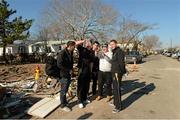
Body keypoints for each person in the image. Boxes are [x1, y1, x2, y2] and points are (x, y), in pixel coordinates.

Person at [57, 41, 76, 112]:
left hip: (68, 74)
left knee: (66, 89)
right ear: (70, 46)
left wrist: (71, 69)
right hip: (63, 74)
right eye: (74, 46)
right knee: (63, 90)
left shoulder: (70, 52)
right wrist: (68, 70)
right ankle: (62, 105)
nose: (74, 47)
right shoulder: (62, 53)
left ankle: (65, 102)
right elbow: (59, 64)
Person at [76, 40, 95, 108]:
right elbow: (75, 43)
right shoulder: (82, 49)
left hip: (88, 71)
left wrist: (91, 71)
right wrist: (83, 40)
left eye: (89, 42)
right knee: (80, 86)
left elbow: (92, 62)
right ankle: (79, 101)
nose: (88, 44)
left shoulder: (92, 51)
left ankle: (84, 99)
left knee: (86, 86)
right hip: (81, 70)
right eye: (87, 43)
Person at [109, 39, 126, 113]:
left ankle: (118, 107)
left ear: (116, 44)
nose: (111, 46)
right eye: (110, 44)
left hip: (117, 73)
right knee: (115, 89)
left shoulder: (119, 52)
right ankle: (115, 102)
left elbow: (122, 63)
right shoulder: (114, 51)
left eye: (113, 44)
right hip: (113, 72)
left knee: (117, 89)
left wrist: (123, 72)